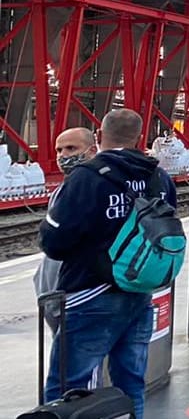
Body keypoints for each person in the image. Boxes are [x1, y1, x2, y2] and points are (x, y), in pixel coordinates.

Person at [37, 108, 178, 418]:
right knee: (131, 383)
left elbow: (54, 243)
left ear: (99, 136)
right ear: (139, 137)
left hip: (90, 293)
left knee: (69, 388)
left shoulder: (86, 178)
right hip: (140, 293)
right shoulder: (158, 177)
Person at [35, 128, 98, 331]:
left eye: (71, 148)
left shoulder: (98, 187)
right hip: (58, 292)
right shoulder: (61, 191)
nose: (63, 156)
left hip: (78, 293)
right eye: (59, 150)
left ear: (92, 150)